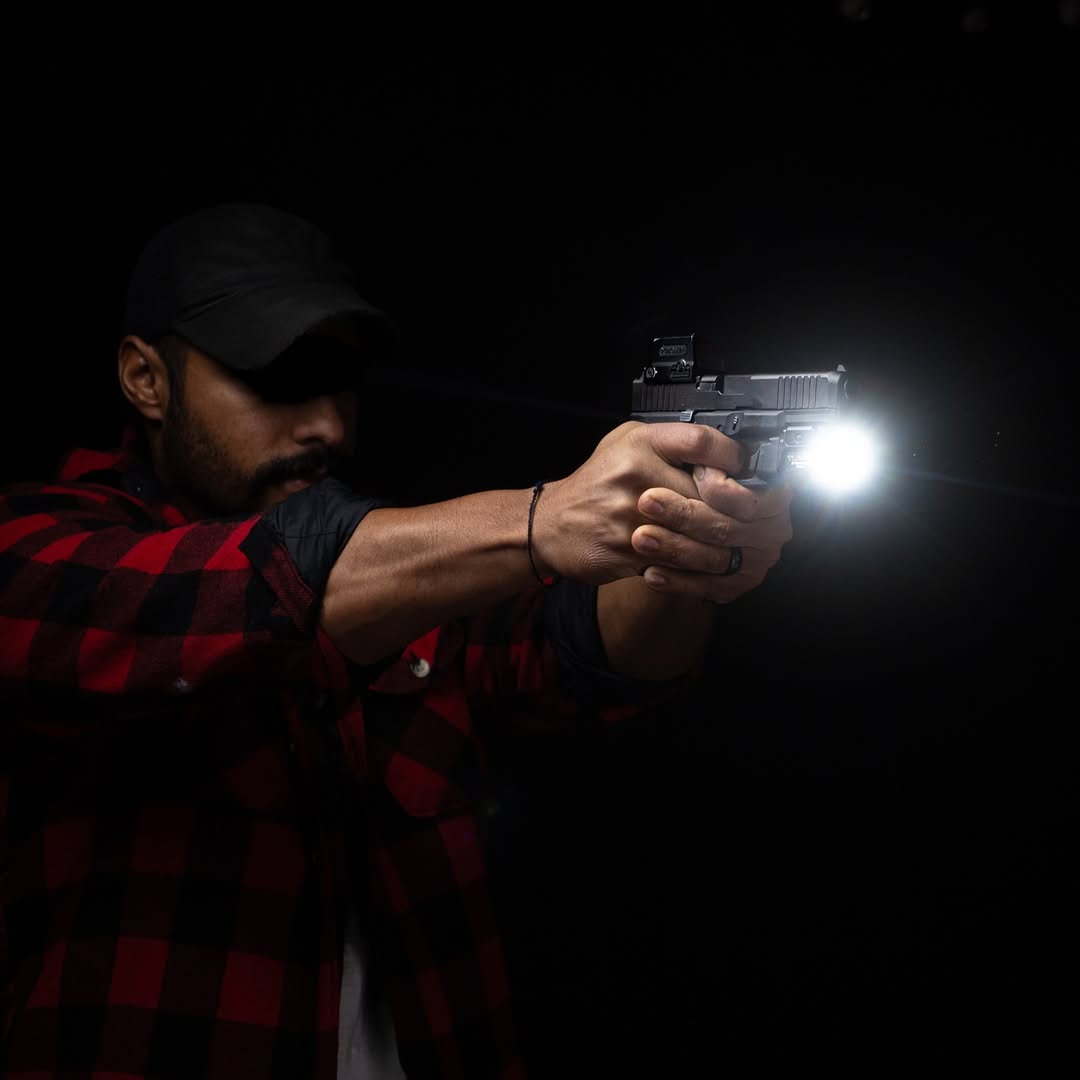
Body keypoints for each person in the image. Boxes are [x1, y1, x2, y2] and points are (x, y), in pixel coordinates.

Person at [0, 203, 793, 1078]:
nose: (330, 427)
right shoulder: (33, 548)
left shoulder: (411, 581)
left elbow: (599, 658)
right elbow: (244, 587)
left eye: (342, 381)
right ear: (146, 378)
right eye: (279, 378)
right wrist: (539, 521)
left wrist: (682, 542)